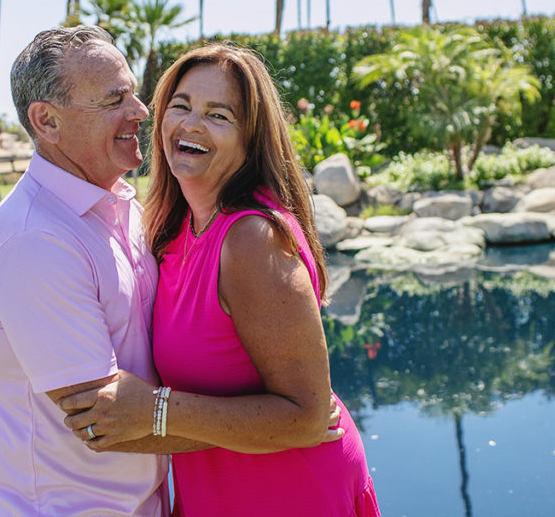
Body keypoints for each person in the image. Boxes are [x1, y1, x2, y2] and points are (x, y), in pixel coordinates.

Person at [61, 43, 380, 516]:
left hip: (291, 492)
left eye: (218, 115)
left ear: (250, 140)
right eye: (181, 106)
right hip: (219, 489)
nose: (191, 124)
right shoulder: (173, 230)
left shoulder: (252, 239)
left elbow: (307, 417)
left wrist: (154, 409)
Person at [0, 25, 175, 515]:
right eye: (114, 98)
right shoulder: (34, 241)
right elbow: (103, 419)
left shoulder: (120, 204)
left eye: (135, 93)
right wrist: (270, 425)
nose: (140, 112)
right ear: (47, 122)